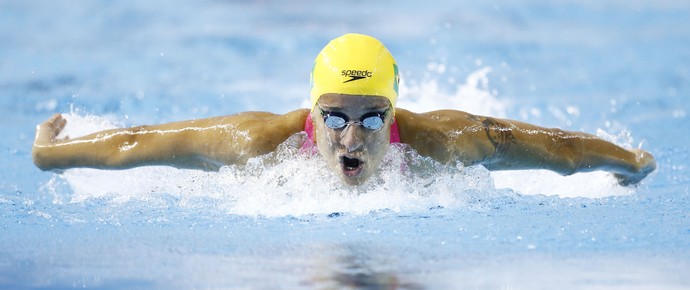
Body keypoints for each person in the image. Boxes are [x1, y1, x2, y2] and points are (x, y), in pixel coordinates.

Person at [32, 33, 656, 186]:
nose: (352, 136)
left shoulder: (446, 140)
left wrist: (631, 163)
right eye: (333, 117)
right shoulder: (256, 142)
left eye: (372, 116)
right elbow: (133, 145)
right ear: (311, 112)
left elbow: (565, 153)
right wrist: (49, 153)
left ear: (394, 109)